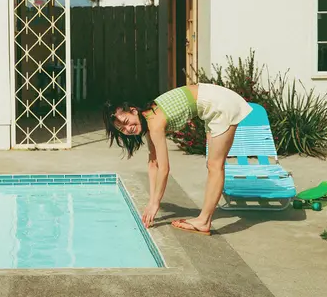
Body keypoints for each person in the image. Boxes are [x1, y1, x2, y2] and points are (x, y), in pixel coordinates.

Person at [102, 83, 252, 235]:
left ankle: (203, 221)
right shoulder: (148, 118)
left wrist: (155, 204)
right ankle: (204, 219)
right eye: (122, 130)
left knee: (215, 165)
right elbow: (153, 163)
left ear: (134, 111)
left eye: (126, 122)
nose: (128, 129)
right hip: (213, 106)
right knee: (212, 165)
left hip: (221, 104)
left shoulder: (154, 122)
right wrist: (152, 200)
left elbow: (164, 168)